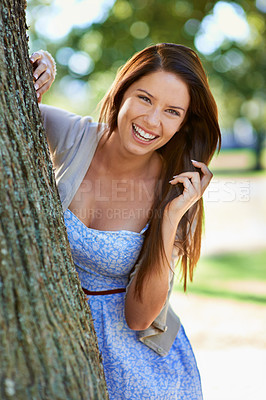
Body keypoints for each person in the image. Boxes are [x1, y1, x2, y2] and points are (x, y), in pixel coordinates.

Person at [30, 43, 221, 399]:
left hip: (142, 374)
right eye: (145, 99)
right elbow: (16, 98)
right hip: (58, 350)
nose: (152, 121)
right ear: (122, 92)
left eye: (172, 111)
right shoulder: (75, 137)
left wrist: (168, 219)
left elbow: (139, 318)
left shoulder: (178, 194)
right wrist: (43, 62)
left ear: (183, 124)